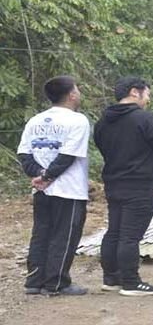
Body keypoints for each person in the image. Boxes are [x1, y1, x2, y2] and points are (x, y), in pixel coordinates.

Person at [94, 76, 153, 296]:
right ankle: (131, 282)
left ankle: (111, 277)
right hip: (139, 183)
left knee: (114, 231)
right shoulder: (144, 118)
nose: (148, 99)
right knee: (130, 235)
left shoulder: (103, 121)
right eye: (147, 94)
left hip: (114, 181)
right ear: (134, 92)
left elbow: (100, 145)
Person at [17, 76, 90, 296]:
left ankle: (34, 281)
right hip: (69, 188)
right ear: (72, 95)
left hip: (41, 189)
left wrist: (39, 175)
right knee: (64, 235)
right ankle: (57, 282)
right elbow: (68, 155)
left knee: (41, 233)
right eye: (77, 90)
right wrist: (47, 176)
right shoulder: (78, 120)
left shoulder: (35, 120)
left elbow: (24, 154)